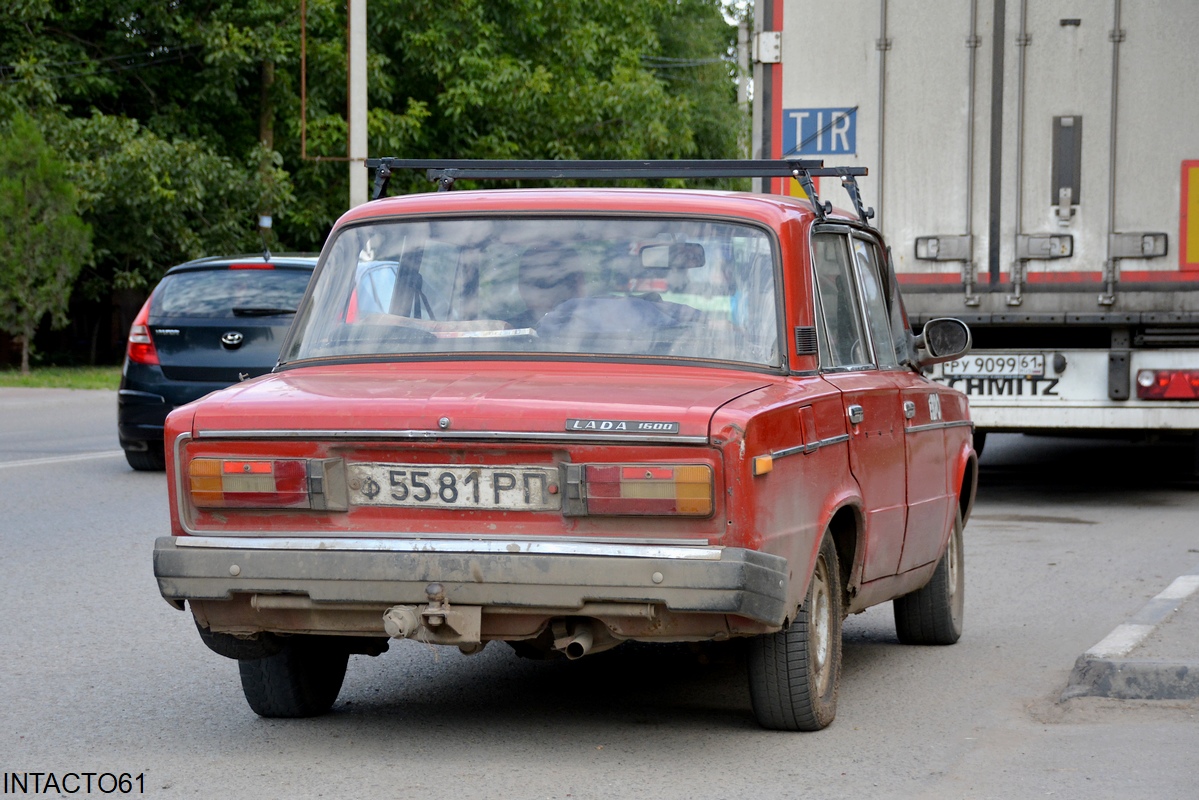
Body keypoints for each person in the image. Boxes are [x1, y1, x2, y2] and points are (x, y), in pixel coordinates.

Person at [509, 246, 585, 328]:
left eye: (566, 280)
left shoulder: (598, 323)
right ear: (522, 289)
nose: (554, 291)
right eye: (541, 283)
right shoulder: (503, 333)